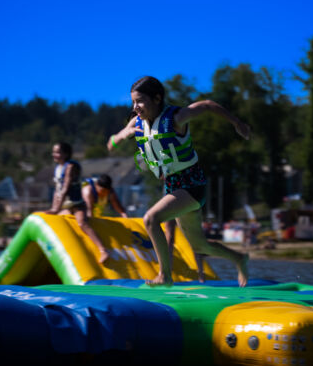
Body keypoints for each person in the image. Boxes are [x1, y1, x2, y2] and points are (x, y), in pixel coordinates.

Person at [107, 76, 250, 287]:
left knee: (150, 219)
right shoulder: (137, 123)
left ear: (157, 99)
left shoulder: (176, 118)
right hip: (172, 186)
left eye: (140, 101)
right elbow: (116, 139)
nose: (135, 107)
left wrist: (237, 123)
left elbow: (207, 105)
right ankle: (239, 259)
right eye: (133, 102)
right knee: (199, 245)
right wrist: (119, 138)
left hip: (191, 183)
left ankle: (164, 275)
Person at [44, 142, 109, 263]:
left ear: (66, 154)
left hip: (77, 205)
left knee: (82, 224)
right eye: (54, 152)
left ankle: (103, 250)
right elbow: (57, 191)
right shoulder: (57, 169)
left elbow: (65, 188)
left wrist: (56, 209)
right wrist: (53, 208)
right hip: (66, 206)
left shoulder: (71, 167)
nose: (54, 154)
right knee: (56, 223)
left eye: (57, 152)